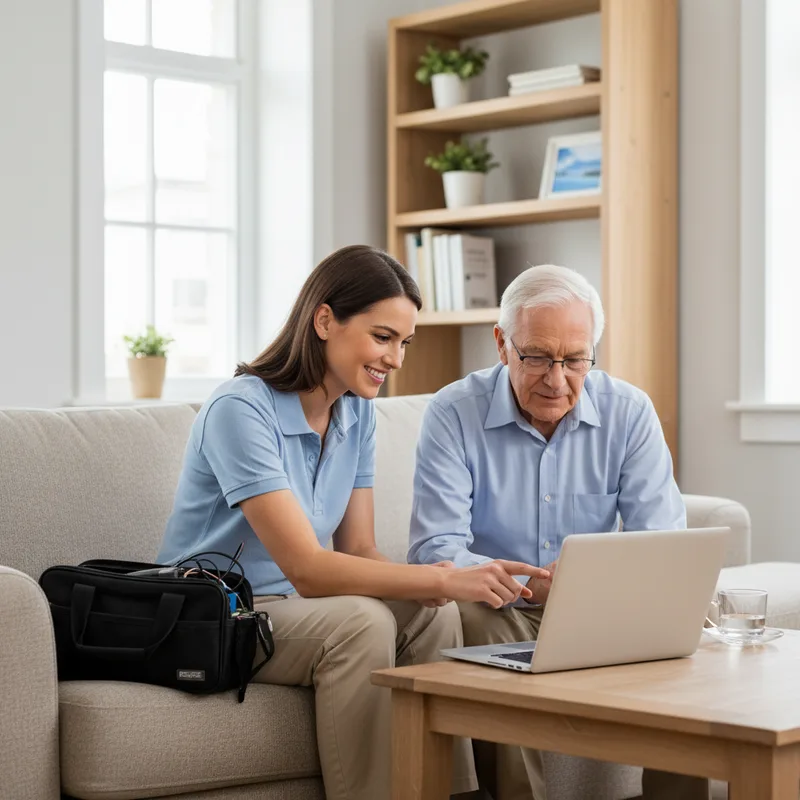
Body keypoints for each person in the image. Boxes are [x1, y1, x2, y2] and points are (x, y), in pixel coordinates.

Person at [157, 245, 550, 800]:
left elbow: (360, 548)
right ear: (324, 321)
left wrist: (445, 582)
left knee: (434, 614)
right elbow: (307, 568)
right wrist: (442, 576)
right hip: (222, 609)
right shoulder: (239, 410)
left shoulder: (357, 411)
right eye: (382, 337)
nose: (396, 359)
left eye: (404, 342)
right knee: (362, 623)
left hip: (297, 604)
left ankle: (448, 792)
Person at [408, 264, 708, 800]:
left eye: (574, 360)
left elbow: (663, 541)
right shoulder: (453, 413)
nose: (556, 378)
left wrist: (594, 585)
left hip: (602, 605)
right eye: (537, 357)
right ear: (502, 344)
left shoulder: (629, 412)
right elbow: (436, 550)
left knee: (679, 639)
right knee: (478, 622)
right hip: (498, 606)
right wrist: (528, 585)